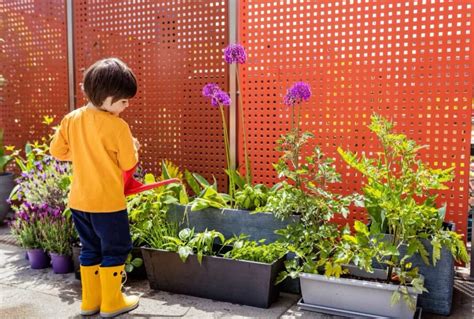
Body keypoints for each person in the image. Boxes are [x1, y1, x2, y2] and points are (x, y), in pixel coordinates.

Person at [50, 57, 140, 318]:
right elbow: (127, 162)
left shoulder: (71, 119)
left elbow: (57, 151)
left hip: (79, 202)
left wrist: (81, 154)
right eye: (123, 101)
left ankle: (90, 302)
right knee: (116, 249)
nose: (126, 106)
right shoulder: (118, 126)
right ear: (107, 98)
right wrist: (133, 147)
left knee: (90, 248)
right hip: (108, 203)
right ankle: (113, 302)